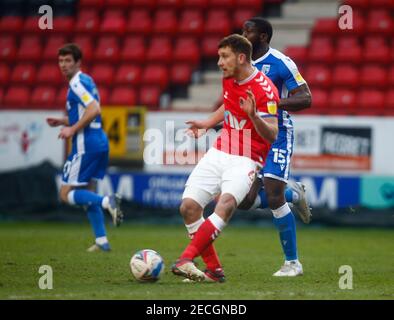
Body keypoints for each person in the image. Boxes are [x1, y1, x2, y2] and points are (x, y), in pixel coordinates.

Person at [185, 17, 312, 277]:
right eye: (242, 30)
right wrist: (211, 122)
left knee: (274, 194)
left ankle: (292, 263)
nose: (243, 33)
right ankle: (294, 193)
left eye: (248, 31)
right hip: (245, 135)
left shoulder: (280, 63)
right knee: (244, 201)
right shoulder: (240, 64)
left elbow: (305, 97)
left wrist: (270, 105)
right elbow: (233, 101)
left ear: (263, 37)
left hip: (276, 132)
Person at [171, 34, 280, 282]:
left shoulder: (266, 90)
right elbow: (229, 104)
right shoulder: (229, 77)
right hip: (220, 150)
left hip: (247, 158)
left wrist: (253, 116)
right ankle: (214, 271)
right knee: (188, 207)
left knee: (227, 202)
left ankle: (186, 259)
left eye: (224, 56)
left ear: (241, 57)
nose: (219, 62)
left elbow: (272, 134)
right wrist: (208, 122)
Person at [46, 43, 123, 252]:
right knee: (86, 190)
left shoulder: (77, 83)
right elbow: (86, 111)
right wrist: (64, 121)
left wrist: (71, 129)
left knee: (65, 193)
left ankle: (108, 201)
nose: (63, 65)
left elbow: (94, 109)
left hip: (85, 144)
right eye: (61, 61)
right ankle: (102, 241)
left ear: (78, 62)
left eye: (68, 61)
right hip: (99, 142)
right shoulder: (87, 80)